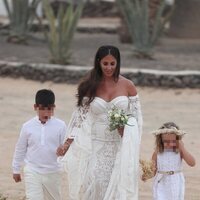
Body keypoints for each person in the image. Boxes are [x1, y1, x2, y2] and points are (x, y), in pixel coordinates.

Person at [57, 45, 143, 200]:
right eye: (105, 63)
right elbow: (79, 119)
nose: (109, 67)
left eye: (112, 64)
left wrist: (126, 129)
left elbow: (136, 119)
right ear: (98, 62)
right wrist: (67, 144)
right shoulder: (90, 86)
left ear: (118, 63)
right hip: (96, 145)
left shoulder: (128, 85)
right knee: (96, 183)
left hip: (119, 145)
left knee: (117, 186)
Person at [12, 89, 67, 200]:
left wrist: (63, 150)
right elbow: (20, 148)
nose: (46, 112)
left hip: (53, 171)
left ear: (54, 107)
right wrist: (16, 169)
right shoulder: (27, 126)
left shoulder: (61, 126)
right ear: (35, 107)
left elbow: (66, 148)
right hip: (32, 170)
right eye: (42, 108)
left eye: (49, 109)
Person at [141, 122, 195, 200]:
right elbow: (153, 170)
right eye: (166, 141)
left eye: (173, 141)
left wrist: (182, 148)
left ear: (178, 140)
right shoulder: (157, 152)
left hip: (176, 181)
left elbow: (192, 163)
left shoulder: (180, 151)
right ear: (160, 140)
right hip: (161, 181)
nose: (169, 144)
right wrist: (146, 175)